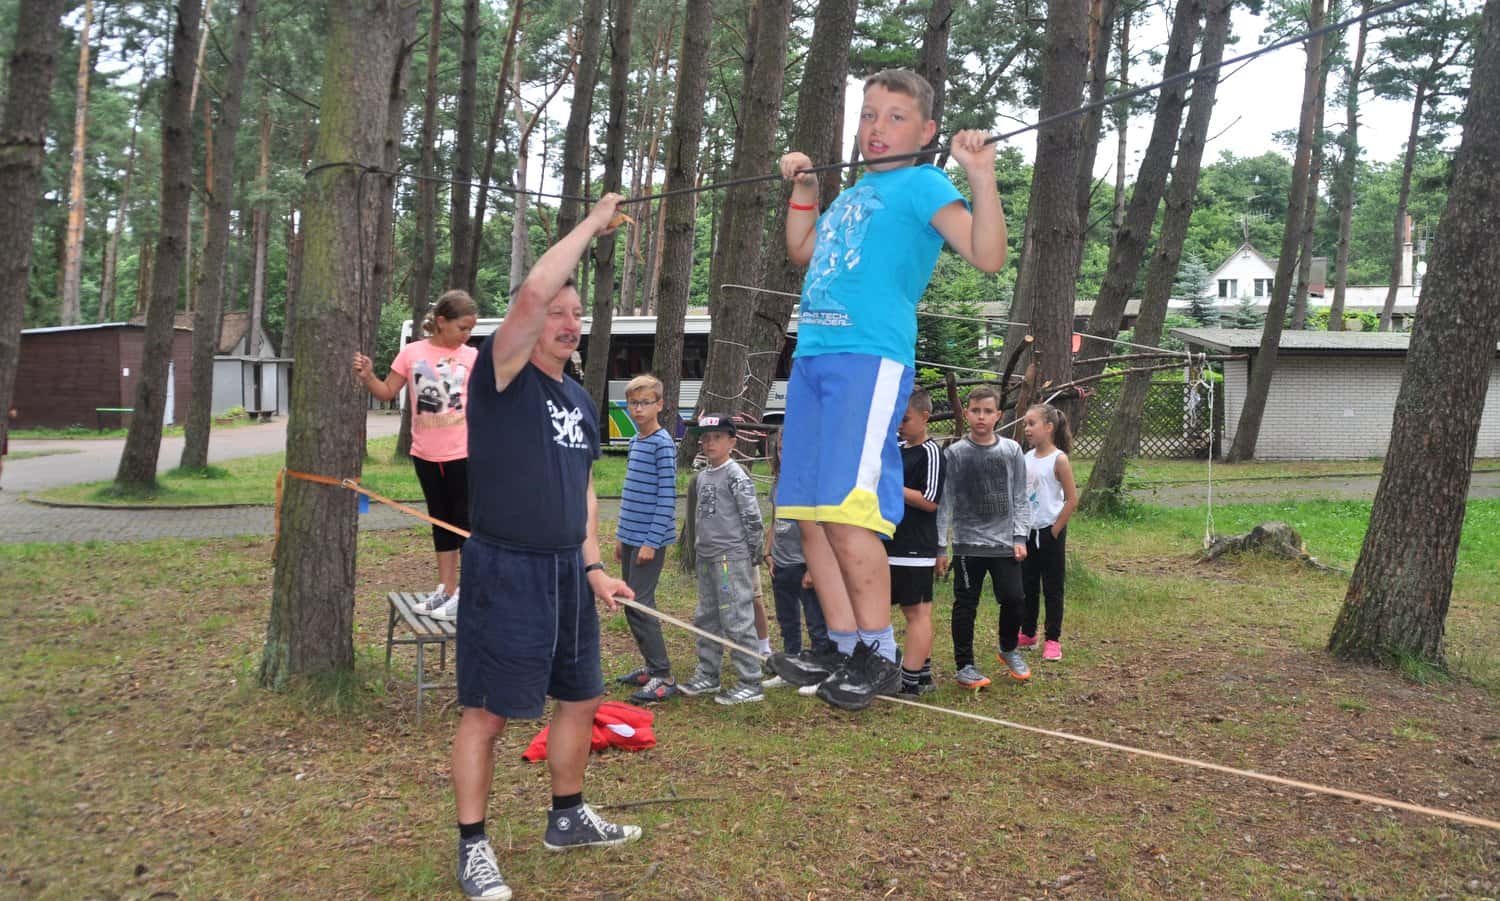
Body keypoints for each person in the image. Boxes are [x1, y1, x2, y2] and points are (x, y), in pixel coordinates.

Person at [768, 68, 1008, 710]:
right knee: (810, 514)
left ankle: (877, 653)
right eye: (869, 115)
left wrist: (980, 175)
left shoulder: (923, 183)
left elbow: (988, 256)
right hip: (813, 357)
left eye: (895, 117)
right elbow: (803, 249)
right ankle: (841, 644)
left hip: (868, 360)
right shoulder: (853, 194)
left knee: (848, 511)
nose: (877, 128)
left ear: (927, 132)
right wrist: (807, 188)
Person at [448, 195, 640, 901]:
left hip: (565, 570)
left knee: (581, 696)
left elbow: (581, 489)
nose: (567, 321)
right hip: (506, 567)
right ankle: (473, 847)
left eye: (576, 313)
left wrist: (593, 566)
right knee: (490, 713)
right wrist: (592, 223)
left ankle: (567, 817)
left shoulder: (580, 401)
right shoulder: (500, 375)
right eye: (556, 312)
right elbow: (530, 292)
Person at [353, 290, 478, 620]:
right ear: (442, 321)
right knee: (440, 520)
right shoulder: (412, 353)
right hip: (425, 454)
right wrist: (368, 376)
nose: (467, 335)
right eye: (462, 328)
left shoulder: (472, 357)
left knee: (464, 523)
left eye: (470, 329)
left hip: (463, 454)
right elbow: (386, 392)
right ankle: (446, 589)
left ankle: (468, 592)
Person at [935, 385, 1031, 688]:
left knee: (1014, 598)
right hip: (968, 545)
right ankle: (964, 665)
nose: (981, 417)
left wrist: (1020, 537)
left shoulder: (1011, 451)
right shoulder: (955, 454)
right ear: (966, 413)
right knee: (965, 604)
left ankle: (1008, 648)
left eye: (987, 411)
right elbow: (945, 502)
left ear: (998, 415)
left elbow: (1020, 496)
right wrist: (941, 547)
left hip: (1004, 543)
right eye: (975, 411)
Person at [677, 413, 766, 706]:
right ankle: (708, 673)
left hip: (730, 559)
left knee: (736, 617)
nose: (709, 443)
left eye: (717, 438)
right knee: (707, 615)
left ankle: (750, 680)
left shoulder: (735, 475)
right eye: (705, 438)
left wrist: (754, 553)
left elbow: (752, 517)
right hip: (707, 557)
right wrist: (695, 552)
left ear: (732, 442)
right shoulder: (703, 477)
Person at [611, 374, 681, 703]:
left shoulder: (662, 444)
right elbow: (630, 495)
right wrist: (621, 537)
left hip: (649, 541)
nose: (638, 409)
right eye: (633, 403)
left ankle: (663, 675)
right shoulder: (635, 441)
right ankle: (651, 668)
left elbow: (667, 498)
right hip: (631, 538)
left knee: (641, 604)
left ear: (660, 405)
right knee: (631, 604)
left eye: (645, 403)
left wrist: (651, 542)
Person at [762, 431, 835, 691]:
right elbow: (775, 520)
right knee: (787, 620)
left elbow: (824, 527)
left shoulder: (811, 485)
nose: (785, 455)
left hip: (806, 563)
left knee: (816, 621)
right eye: (781, 450)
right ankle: (790, 668)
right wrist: (768, 552)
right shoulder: (779, 483)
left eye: (790, 450)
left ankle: (820, 671)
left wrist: (815, 567)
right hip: (781, 563)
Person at [888, 389, 945, 695]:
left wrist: (891, 486)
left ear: (925, 418)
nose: (900, 424)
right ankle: (922, 674)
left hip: (916, 545)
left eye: (905, 419)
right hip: (891, 540)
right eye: (897, 418)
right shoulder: (898, 447)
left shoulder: (931, 452)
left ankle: (909, 682)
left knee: (917, 613)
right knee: (909, 611)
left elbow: (930, 501)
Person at [1020, 403, 1078, 662]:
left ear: (1049, 427)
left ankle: (1053, 639)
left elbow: (1071, 499)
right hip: (1027, 532)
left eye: (1031, 423)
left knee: (1052, 587)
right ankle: (1028, 633)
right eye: (1025, 424)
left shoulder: (1059, 459)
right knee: (1028, 585)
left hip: (1049, 533)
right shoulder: (1026, 458)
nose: (1027, 428)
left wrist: (1054, 530)